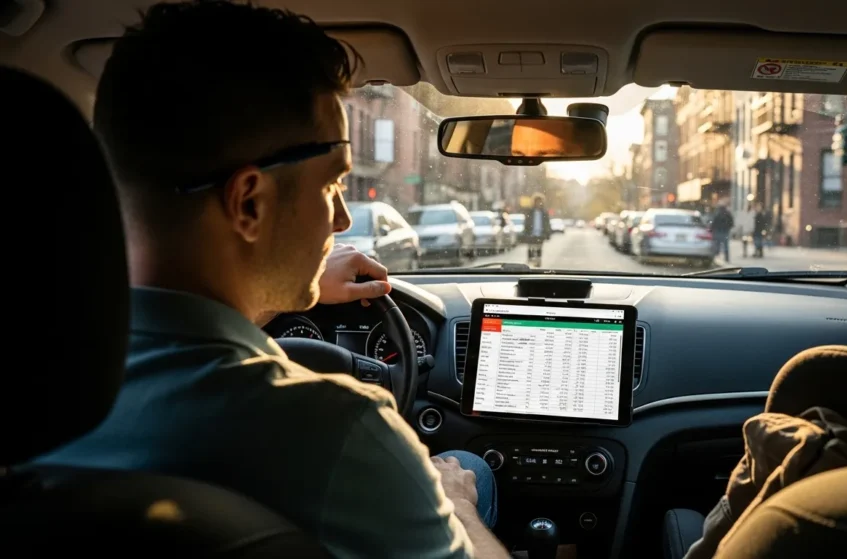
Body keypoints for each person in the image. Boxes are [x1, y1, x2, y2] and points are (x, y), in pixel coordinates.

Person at [32, 2, 505, 558]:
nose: (342, 220)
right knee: (468, 472)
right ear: (249, 203)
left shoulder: (33, 383)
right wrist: (459, 507)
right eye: (332, 186)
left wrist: (272, 294)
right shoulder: (342, 435)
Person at [521, 194, 551, 265]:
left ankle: (538, 262)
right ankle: (530, 261)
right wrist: (526, 232)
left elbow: (547, 223)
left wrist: (547, 233)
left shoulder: (544, 212)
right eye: (537, 202)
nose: (538, 203)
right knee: (530, 248)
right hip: (531, 233)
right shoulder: (530, 212)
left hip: (540, 233)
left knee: (539, 248)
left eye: (540, 202)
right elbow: (526, 222)